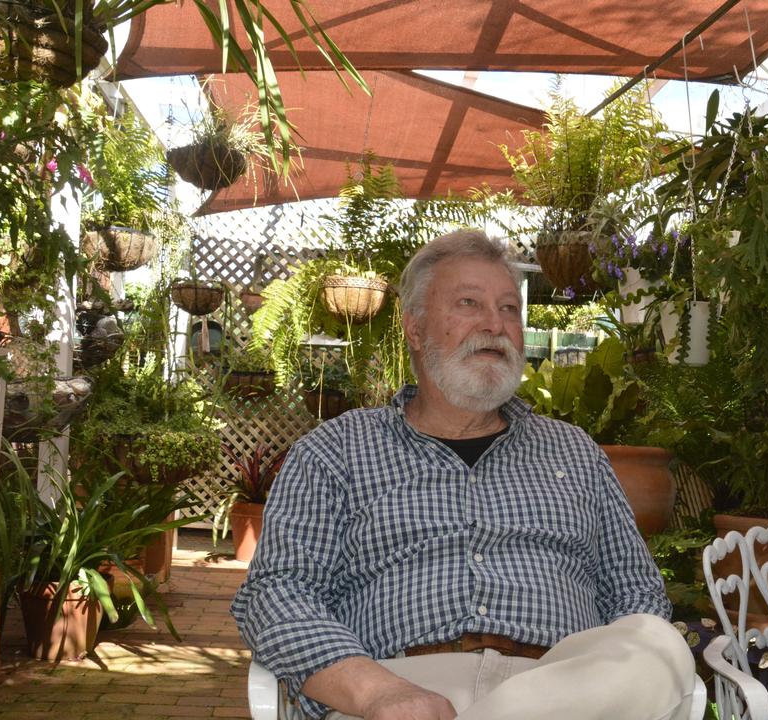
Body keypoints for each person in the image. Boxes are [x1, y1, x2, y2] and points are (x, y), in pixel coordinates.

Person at [231, 229, 694, 720]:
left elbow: (637, 593)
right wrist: (374, 691)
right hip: (401, 691)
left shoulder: (576, 454)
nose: (495, 325)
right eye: (470, 303)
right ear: (414, 327)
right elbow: (277, 591)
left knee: (656, 642)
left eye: (509, 309)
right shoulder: (334, 453)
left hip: (562, 691)